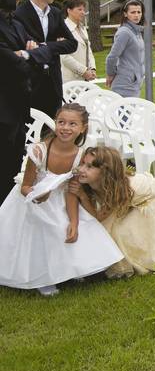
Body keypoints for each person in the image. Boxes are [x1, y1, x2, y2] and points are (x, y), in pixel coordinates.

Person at [0, 103, 122, 294]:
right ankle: (41, 276)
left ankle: (74, 268)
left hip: (61, 200)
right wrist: (36, 195)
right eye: (61, 122)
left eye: (73, 124)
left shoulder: (80, 155)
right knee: (46, 227)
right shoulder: (39, 151)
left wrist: (74, 221)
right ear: (55, 123)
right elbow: (25, 186)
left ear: (83, 128)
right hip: (31, 201)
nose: (65, 128)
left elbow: (71, 190)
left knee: (75, 227)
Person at [70, 145, 155, 278]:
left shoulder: (116, 189)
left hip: (149, 198)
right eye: (83, 164)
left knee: (122, 232)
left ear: (104, 172)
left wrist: (83, 196)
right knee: (113, 227)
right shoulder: (95, 182)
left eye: (89, 167)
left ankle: (150, 256)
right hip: (129, 198)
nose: (82, 170)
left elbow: (99, 218)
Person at [14, 0, 78, 118]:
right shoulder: (19, 14)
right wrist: (55, 45)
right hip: (30, 84)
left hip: (54, 84)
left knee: (52, 131)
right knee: (30, 133)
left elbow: (72, 44)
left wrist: (45, 46)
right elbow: (21, 46)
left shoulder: (55, 13)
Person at [0, 0, 34, 199]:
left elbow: (36, 54)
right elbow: (12, 63)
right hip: (2, 111)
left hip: (18, 109)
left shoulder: (16, 22)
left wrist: (27, 54)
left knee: (12, 169)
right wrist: (24, 55)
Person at [105, 0, 145, 97]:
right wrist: (111, 74)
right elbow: (112, 57)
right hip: (124, 83)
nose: (136, 15)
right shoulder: (124, 32)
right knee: (125, 111)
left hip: (134, 82)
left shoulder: (136, 31)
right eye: (133, 12)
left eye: (139, 12)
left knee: (132, 111)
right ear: (125, 14)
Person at [61, 0, 97, 83]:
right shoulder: (62, 28)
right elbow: (64, 57)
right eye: (79, 9)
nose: (83, 12)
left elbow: (89, 50)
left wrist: (92, 68)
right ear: (69, 10)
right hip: (70, 80)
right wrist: (83, 71)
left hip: (85, 79)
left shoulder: (82, 28)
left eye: (84, 10)